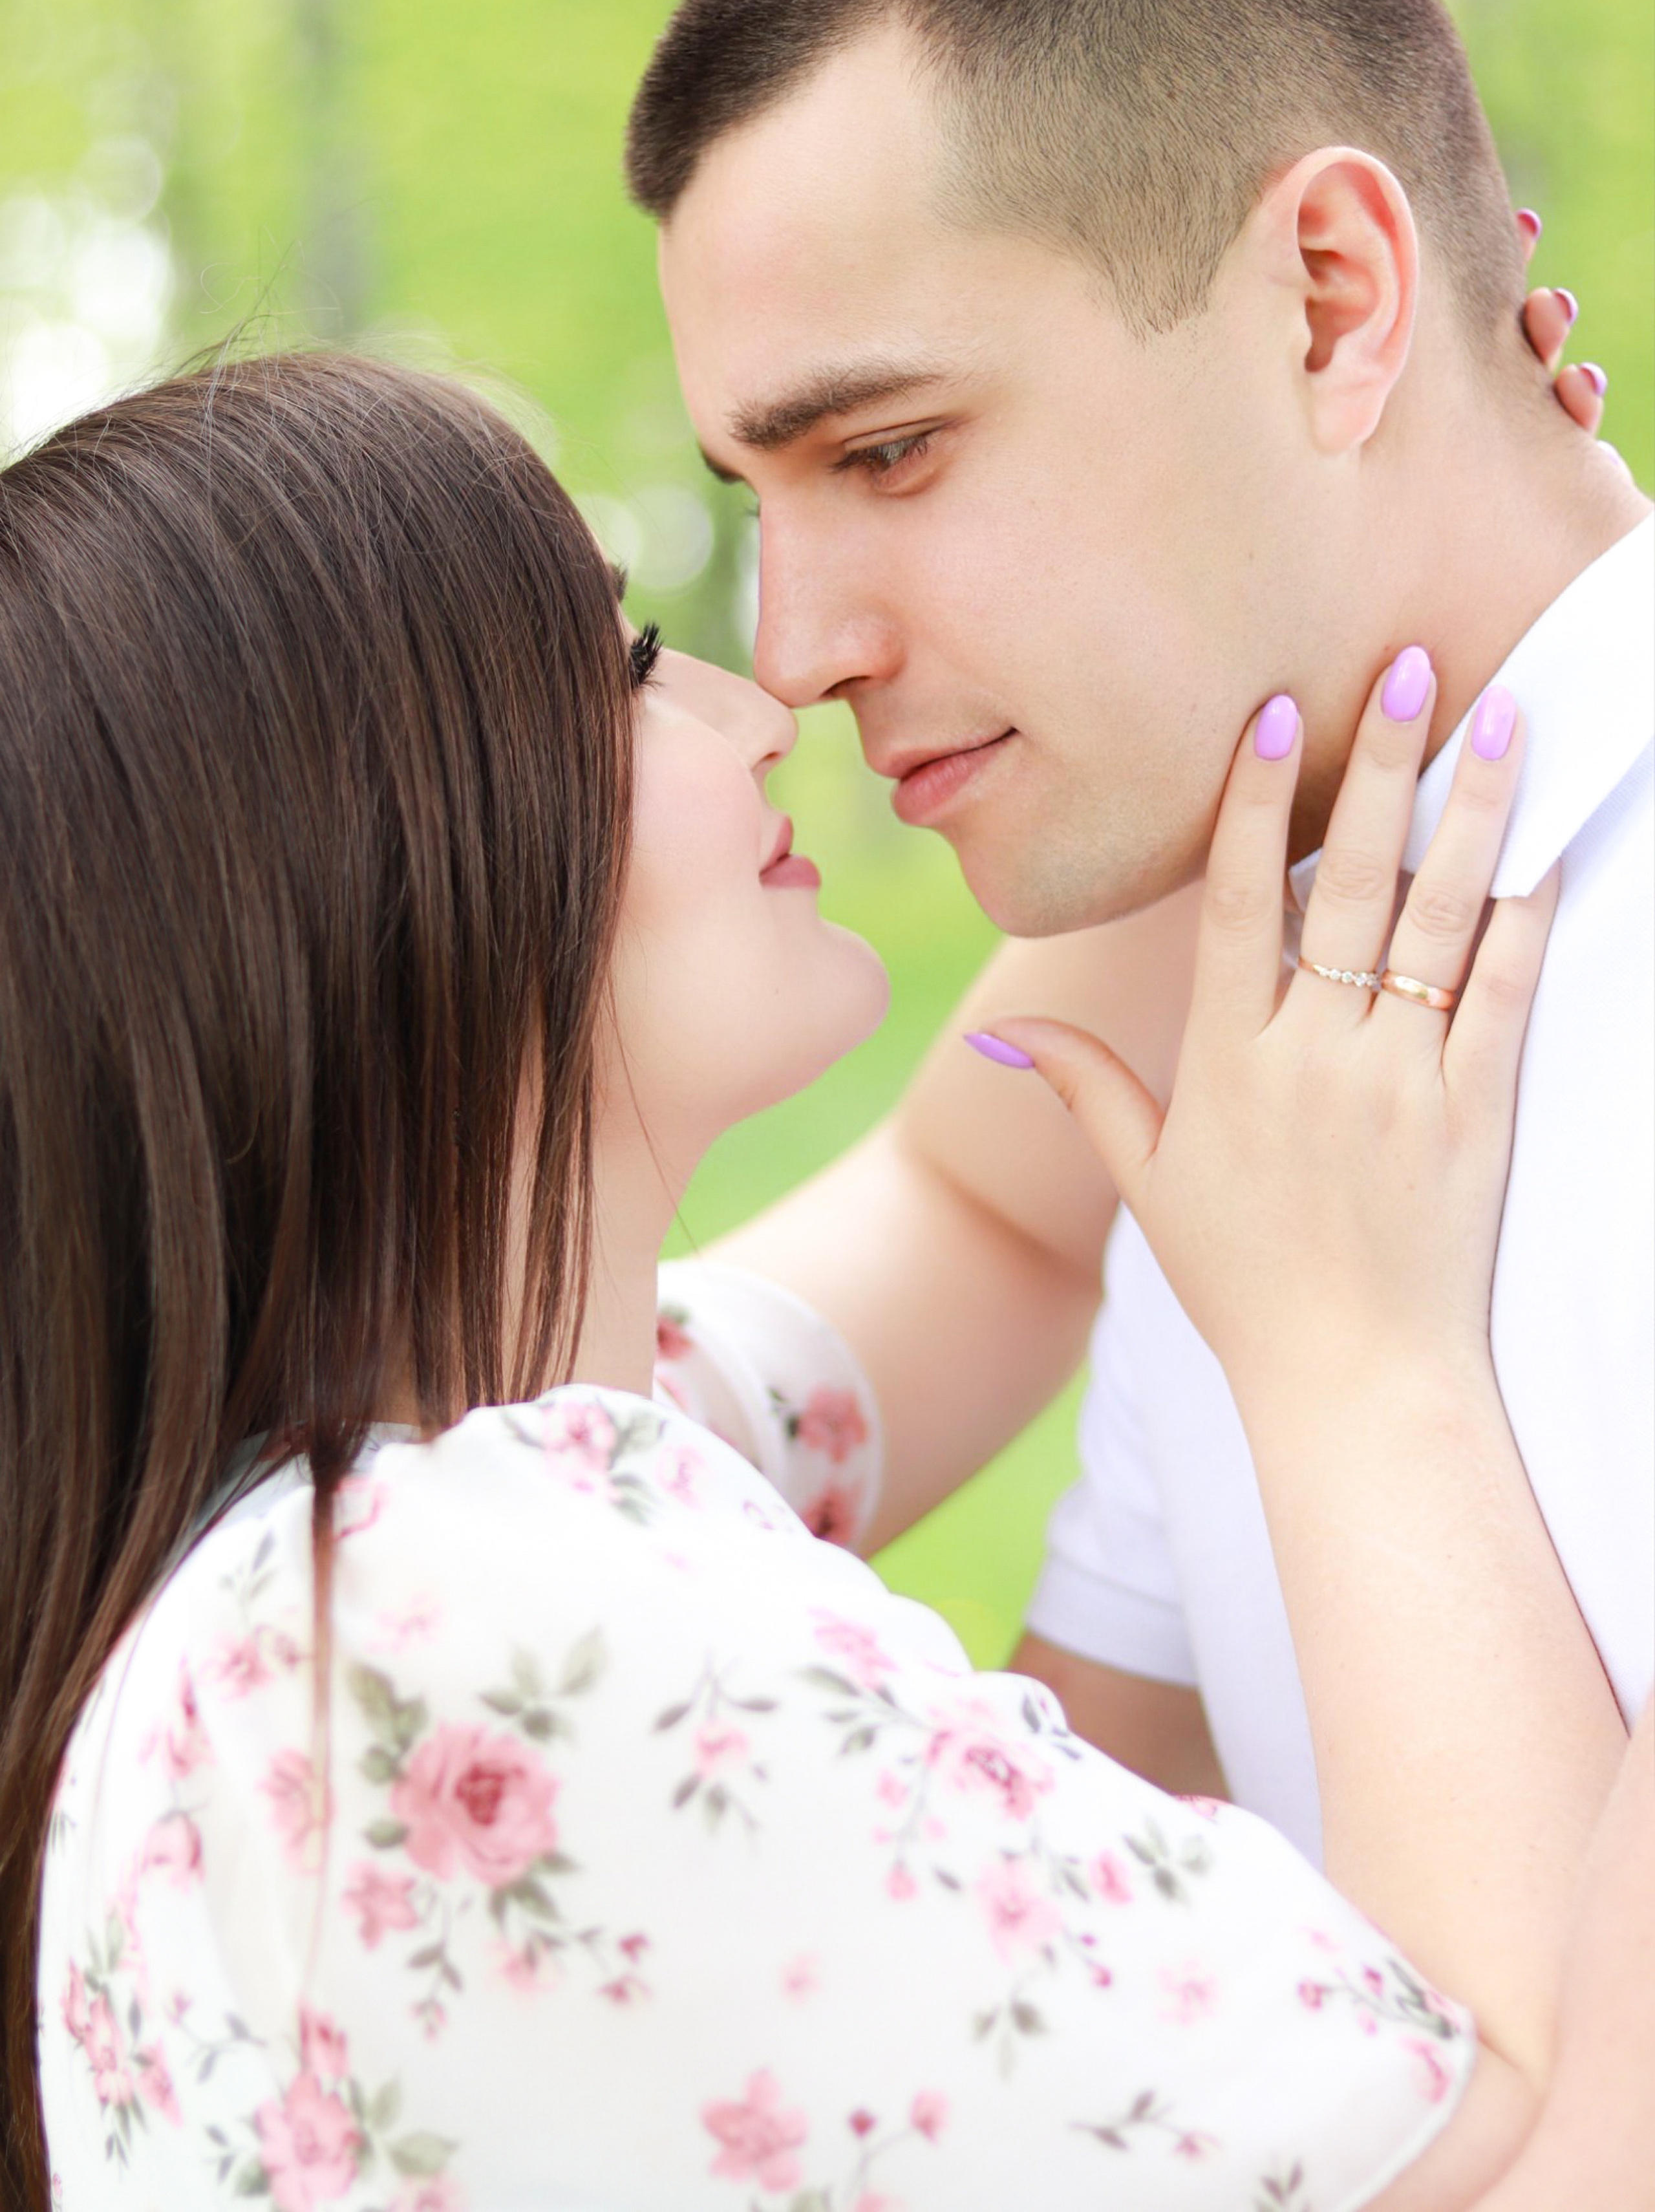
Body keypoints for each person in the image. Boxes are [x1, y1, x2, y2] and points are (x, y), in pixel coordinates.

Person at [0, 352, 1634, 2208]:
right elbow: (1549, 2154)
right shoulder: (443, 1637)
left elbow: (976, 1211)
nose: (760, 704)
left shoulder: (338, 1551)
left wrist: (1364, 516)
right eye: (626, 669)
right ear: (377, 862)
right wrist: (1357, 1361)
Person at [622, 0, 1652, 1863]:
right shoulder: (1254, 1036)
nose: (795, 653)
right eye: (762, 495)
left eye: (890, 452)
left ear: (1331, 300)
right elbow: (1117, 1959)